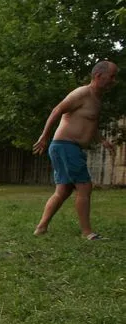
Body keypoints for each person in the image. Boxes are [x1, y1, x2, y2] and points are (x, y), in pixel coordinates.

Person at [32, 60, 118, 240]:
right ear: (98, 75)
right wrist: (44, 136)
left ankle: (41, 227)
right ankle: (87, 233)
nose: (114, 81)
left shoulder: (96, 99)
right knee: (84, 187)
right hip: (66, 146)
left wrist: (102, 140)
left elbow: (90, 124)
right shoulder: (82, 93)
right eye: (112, 76)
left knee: (63, 190)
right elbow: (57, 110)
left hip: (67, 147)